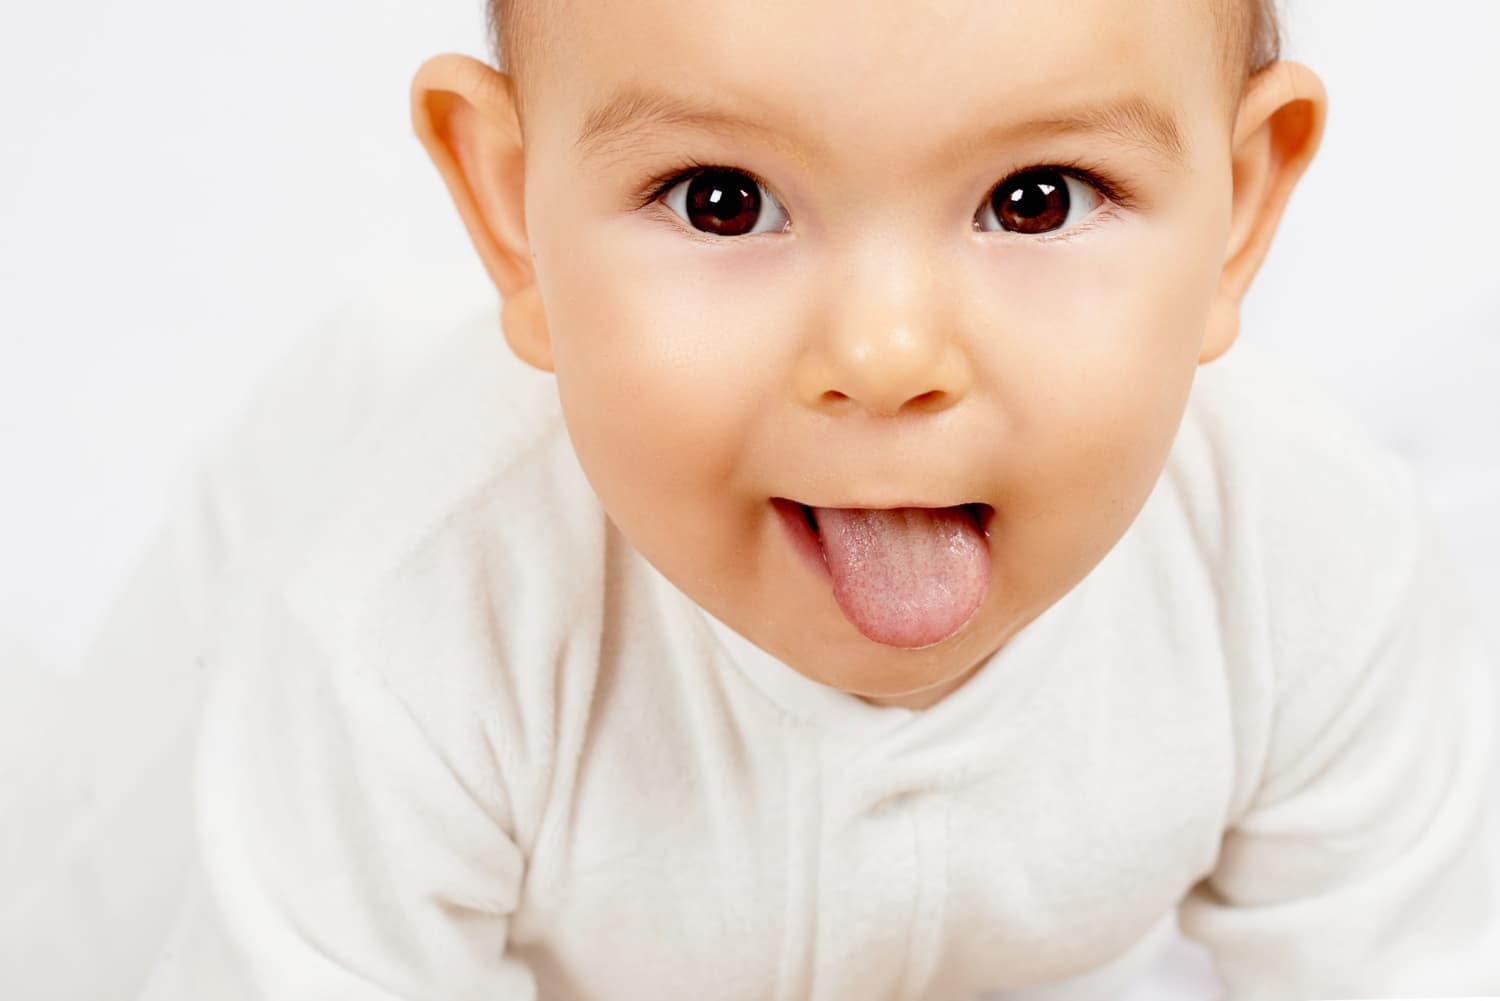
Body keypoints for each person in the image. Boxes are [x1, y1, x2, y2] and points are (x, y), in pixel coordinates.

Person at [133, 0, 1500, 997]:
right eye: (723, 201)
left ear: (1240, 209)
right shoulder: (404, 617)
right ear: (513, 210)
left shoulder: (1304, 556)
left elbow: (1408, 962)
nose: (886, 358)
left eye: (1035, 199)